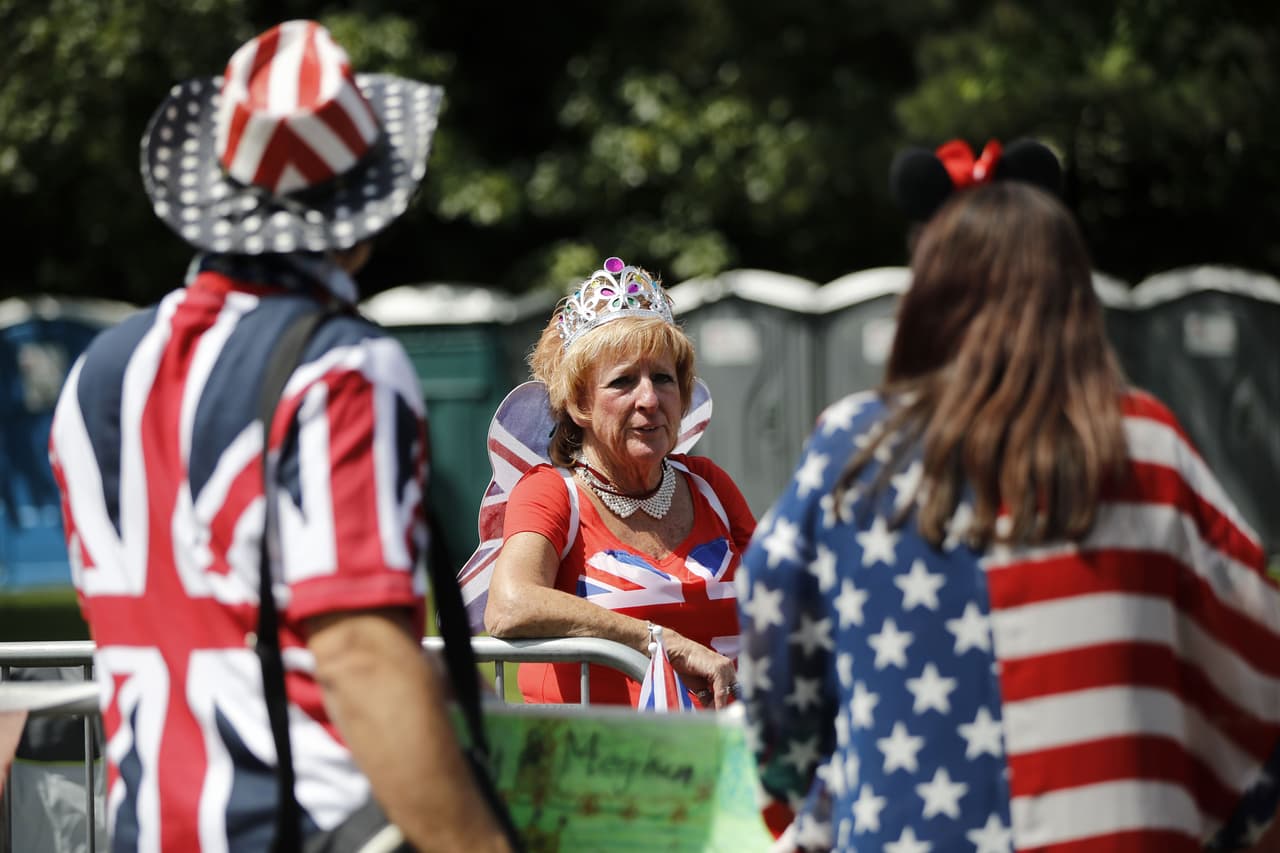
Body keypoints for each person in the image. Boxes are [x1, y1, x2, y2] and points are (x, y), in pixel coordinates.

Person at [737, 141, 1280, 852]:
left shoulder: (852, 451)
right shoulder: (1145, 444)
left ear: (926, 290)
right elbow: (1253, 671)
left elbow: (776, 658)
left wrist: (816, 792)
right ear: (1071, 292)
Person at [47, 20, 512, 852]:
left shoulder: (98, 371)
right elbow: (359, 660)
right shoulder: (345, 367)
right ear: (362, 217)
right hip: (311, 828)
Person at [468, 257, 755, 708]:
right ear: (580, 404)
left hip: (726, 762)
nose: (649, 399)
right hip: (596, 766)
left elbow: (782, 598)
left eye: (663, 378)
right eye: (623, 382)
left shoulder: (709, 485)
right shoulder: (550, 492)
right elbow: (508, 605)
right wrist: (661, 643)